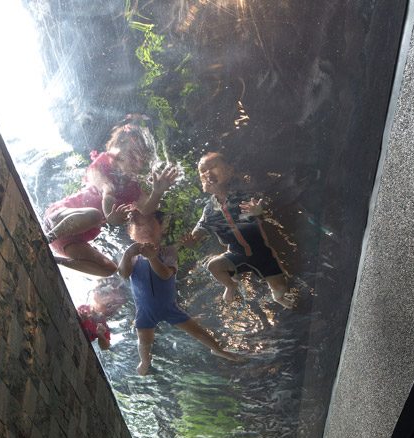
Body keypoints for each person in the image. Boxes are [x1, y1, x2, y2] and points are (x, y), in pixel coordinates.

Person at [44, 122, 178, 276]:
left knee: (110, 269)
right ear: (117, 151)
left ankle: (54, 260)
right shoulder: (102, 164)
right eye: (131, 153)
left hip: (71, 242)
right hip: (57, 221)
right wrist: (110, 216)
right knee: (94, 215)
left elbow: (146, 209)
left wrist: (157, 192)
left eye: (140, 157)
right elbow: (107, 191)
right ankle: (45, 238)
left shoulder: (133, 190)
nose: (136, 159)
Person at [118, 211, 240, 375]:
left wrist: (153, 258)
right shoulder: (132, 257)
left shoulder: (168, 252)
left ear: (160, 230)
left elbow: (165, 274)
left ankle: (217, 349)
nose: (147, 234)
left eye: (151, 230)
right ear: (133, 236)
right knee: (144, 340)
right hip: (145, 311)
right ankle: (145, 360)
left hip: (169, 308)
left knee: (196, 331)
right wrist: (127, 254)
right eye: (141, 231)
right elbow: (123, 274)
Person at [184, 152, 293, 308]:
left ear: (229, 171)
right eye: (202, 171)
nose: (207, 173)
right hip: (236, 253)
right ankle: (231, 285)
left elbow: (263, 214)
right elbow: (199, 231)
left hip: (262, 253)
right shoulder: (209, 210)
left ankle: (281, 298)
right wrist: (191, 242)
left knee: (281, 292)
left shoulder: (243, 196)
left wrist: (258, 212)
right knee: (214, 266)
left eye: (213, 167)